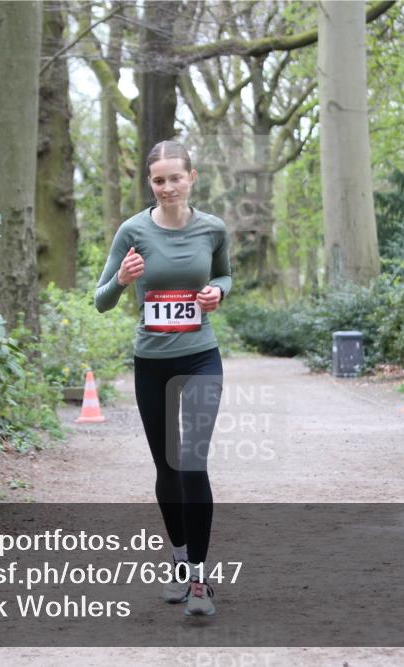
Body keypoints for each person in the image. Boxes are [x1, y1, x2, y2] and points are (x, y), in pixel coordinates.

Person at [94, 140, 231, 617]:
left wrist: (217, 291)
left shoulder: (212, 229)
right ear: (150, 184)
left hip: (200, 358)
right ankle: (177, 558)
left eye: (176, 177)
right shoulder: (131, 231)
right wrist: (123, 280)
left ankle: (198, 579)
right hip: (152, 362)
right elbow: (101, 299)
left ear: (192, 177)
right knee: (167, 468)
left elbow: (226, 276)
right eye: (158, 180)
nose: (168, 186)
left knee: (193, 462)